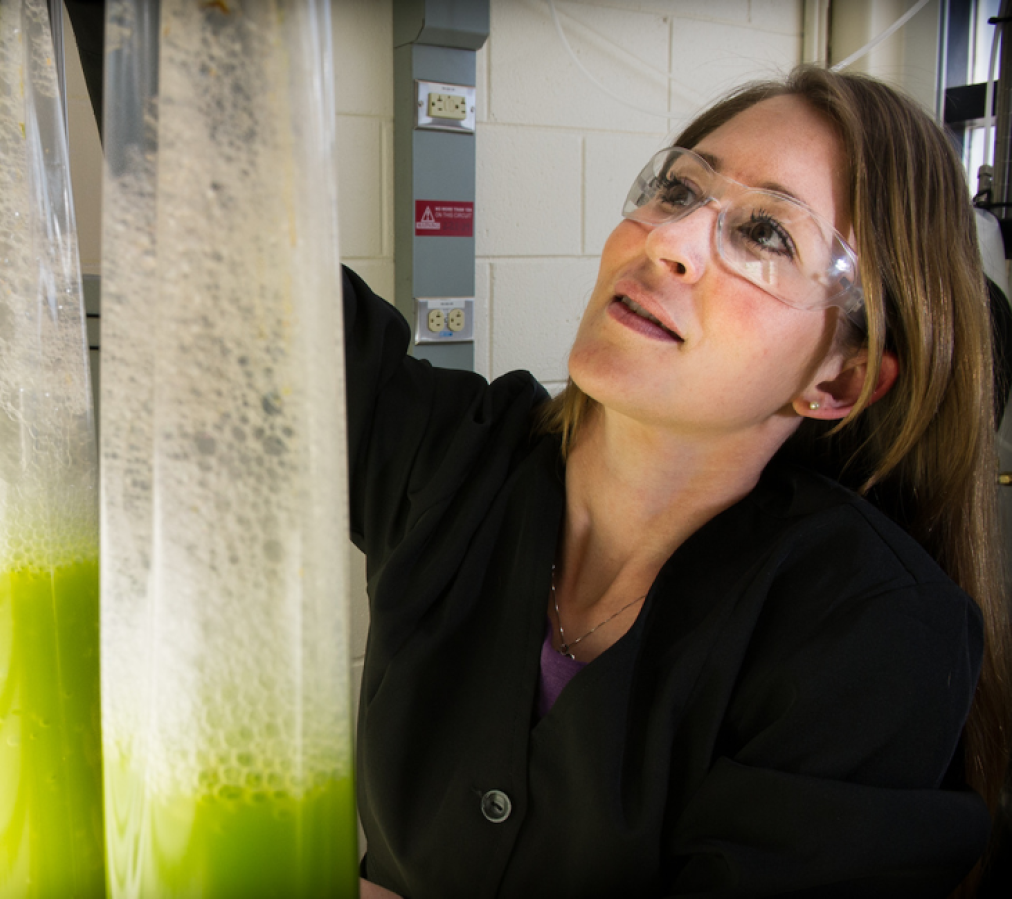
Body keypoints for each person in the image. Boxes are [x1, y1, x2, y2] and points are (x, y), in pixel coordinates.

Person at [346, 65, 1012, 898]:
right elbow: (230, 275)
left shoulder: (871, 634)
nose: (669, 240)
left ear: (838, 382)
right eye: (677, 188)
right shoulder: (452, 462)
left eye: (767, 233)